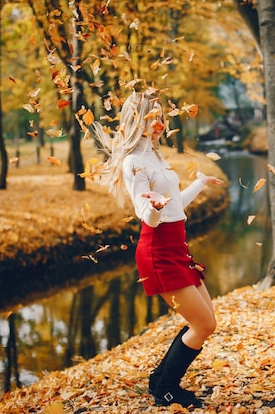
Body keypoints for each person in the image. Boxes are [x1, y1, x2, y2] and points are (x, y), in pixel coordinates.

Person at [89, 88, 224, 408]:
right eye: (153, 116)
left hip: (178, 246)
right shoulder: (134, 162)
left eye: (162, 116)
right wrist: (155, 207)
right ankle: (165, 387)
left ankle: (160, 379)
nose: (161, 122)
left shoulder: (156, 155)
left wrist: (200, 182)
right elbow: (146, 214)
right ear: (137, 120)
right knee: (203, 325)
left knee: (208, 321)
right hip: (158, 252)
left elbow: (173, 204)